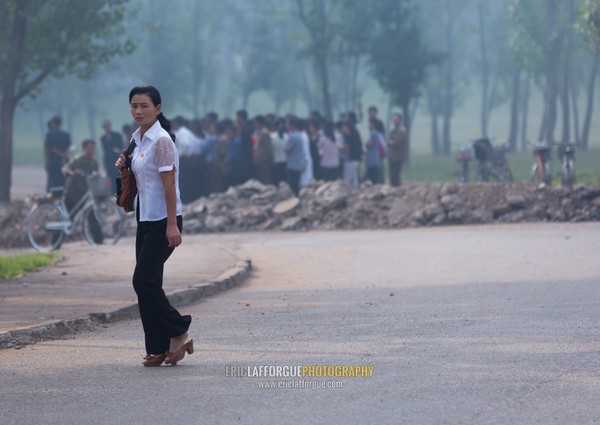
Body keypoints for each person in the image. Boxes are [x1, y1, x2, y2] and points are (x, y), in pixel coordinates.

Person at [115, 85, 193, 367]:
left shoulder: (161, 141)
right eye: (134, 105)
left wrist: (172, 225)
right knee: (150, 283)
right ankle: (158, 347)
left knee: (142, 281)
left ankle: (179, 328)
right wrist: (125, 164)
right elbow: (139, 179)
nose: (138, 111)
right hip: (144, 218)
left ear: (158, 108)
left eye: (144, 106)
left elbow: (169, 185)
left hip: (164, 220)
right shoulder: (137, 140)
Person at [62, 139, 103, 243]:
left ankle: (99, 241)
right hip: (73, 194)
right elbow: (65, 168)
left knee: (92, 218)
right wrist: (71, 172)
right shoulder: (78, 160)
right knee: (67, 219)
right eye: (89, 148)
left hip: (86, 194)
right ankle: (55, 243)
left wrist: (98, 176)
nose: (91, 150)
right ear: (84, 149)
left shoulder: (94, 163)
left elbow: (96, 174)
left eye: (92, 148)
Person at [44, 116, 71, 194]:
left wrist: (60, 155)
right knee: (63, 180)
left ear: (53, 123)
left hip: (53, 161)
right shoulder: (66, 135)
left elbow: (52, 149)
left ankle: (52, 197)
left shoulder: (49, 135)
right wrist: (63, 157)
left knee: (53, 181)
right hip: (64, 161)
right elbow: (68, 148)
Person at [100, 120, 124, 193]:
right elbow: (105, 149)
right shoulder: (103, 138)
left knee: (118, 174)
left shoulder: (117, 135)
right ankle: (113, 191)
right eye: (104, 127)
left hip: (116, 158)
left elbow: (121, 146)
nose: (106, 128)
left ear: (110, 126)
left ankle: (120, 189)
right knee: (110, 175)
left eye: (107, 126)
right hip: (108, 159)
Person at [284, 116, 305, 196]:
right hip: (298, 163)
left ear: (292, 125)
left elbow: (286, 149)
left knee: (292, 185)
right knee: (296, 184)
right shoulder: (298, 135)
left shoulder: (293, 136)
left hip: (293, 164)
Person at [387, 113, 408, 187]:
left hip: (398, 156)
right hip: (392, 156)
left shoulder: (401, 131)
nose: (394, 121)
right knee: (392, 175)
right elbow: (388, 141)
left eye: (396, 119)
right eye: (393, 119)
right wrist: (390, 142)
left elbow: (395, 142)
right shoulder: (393, 130)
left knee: (396, 174)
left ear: (399, 120)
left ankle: (396, 190)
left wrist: (390, 142)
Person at [252, 115, 274, 185]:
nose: (254, 124)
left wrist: (271, 159)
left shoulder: (264, 133)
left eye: (255, 122)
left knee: (264, 177)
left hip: (264, 158)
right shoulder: (258, 132)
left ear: (259, 123)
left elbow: (268, 148)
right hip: (259, 158)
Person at [365, 118, 384, 184]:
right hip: (376, 157)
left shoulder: (373, 134)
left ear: (373, 125)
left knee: (372, 178)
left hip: (372, 158)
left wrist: (366, 144)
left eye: (369, 124)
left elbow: (369, 144)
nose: (368, 125)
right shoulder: (377, 133)